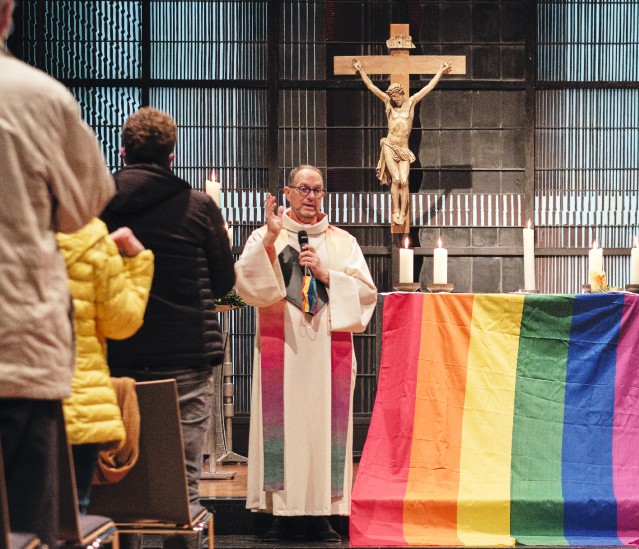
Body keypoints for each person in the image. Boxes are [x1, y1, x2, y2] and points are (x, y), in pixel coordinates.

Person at [0, 0, 117, 543]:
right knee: (26, 530)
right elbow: (84, 205)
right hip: (16, 343)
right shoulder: (36, 95)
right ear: (5, 13)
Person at [99, 107, 235, 549]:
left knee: (120, 488)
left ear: (122, 151)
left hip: (116, 358)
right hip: (186, 357)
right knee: (183, 490)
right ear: (172, 156)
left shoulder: (96, 204)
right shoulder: (198, 206)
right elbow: (223, 283)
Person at [236, 165, 377, 542]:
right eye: (303, 189)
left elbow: (367, 294)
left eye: (317, 190)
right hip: (282, 343)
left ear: (323, 195)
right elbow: (245, 283)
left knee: (322, 427)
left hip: (326, 348)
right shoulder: (268, 236)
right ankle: (282, 510)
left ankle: (323, 512)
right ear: (288, 192)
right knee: (284, 426)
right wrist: (268, 238)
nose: (311, 196)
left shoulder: (343, 243)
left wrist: (328, 274)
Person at [57, 222, 153, 514]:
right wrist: (140, 263)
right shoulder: (89, 239)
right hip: (79, 398)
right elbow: (121, 323)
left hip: (16, 392)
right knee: (72, 517)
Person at [353, 58, 452, 226]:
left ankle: (403, 212)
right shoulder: (389, 106)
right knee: (397, 179)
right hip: (390, 147)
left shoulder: (411, 103)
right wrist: (361, 69)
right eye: (392, 96)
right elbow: (371, 87)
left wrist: (441, 71)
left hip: (403, 149)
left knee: (405, 181)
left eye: (396, 95)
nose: (394, 98)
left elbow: (428, 88)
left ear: (402, 94)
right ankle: (395, 210)